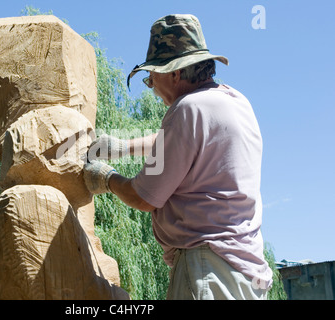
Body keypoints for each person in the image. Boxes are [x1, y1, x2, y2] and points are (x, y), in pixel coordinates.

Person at [83, 14, 272, 300]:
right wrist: (124, 146)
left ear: (174, 72)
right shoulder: (234, 101)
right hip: (242, 271)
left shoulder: (187, 109)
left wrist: (106, 178)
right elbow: (183, 142)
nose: (152, 87)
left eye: (151, 77)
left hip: (206, 268)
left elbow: (143, 198)